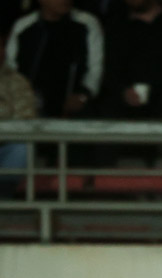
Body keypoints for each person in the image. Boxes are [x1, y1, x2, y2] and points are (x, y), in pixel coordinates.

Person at [5, 0, 103, 118]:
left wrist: (83, 95)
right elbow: (10, 68)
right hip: (27, 106)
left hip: (72, 111)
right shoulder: (23, 26)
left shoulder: (87, 23)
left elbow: (95, 68)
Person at [0, 34, 37, 198]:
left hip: (4, 145)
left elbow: (24, 120)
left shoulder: (17, 81)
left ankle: (3, 198)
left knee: (21, 147)